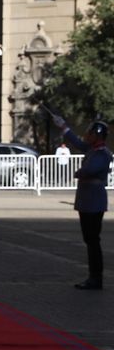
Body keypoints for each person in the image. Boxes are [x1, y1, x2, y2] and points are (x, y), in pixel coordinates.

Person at [53, 114, 113, 290]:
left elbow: (89, 170)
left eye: (90, 133)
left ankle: (96, 278)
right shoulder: (93, 150)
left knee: (93, 241)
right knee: (90, 240)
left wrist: (79, 172)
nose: (87, 135)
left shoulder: (101, 153)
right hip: (88, 201)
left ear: (97, 135)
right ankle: (93, 277)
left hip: (94, 202)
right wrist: (63, 126)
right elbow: (78, 143)